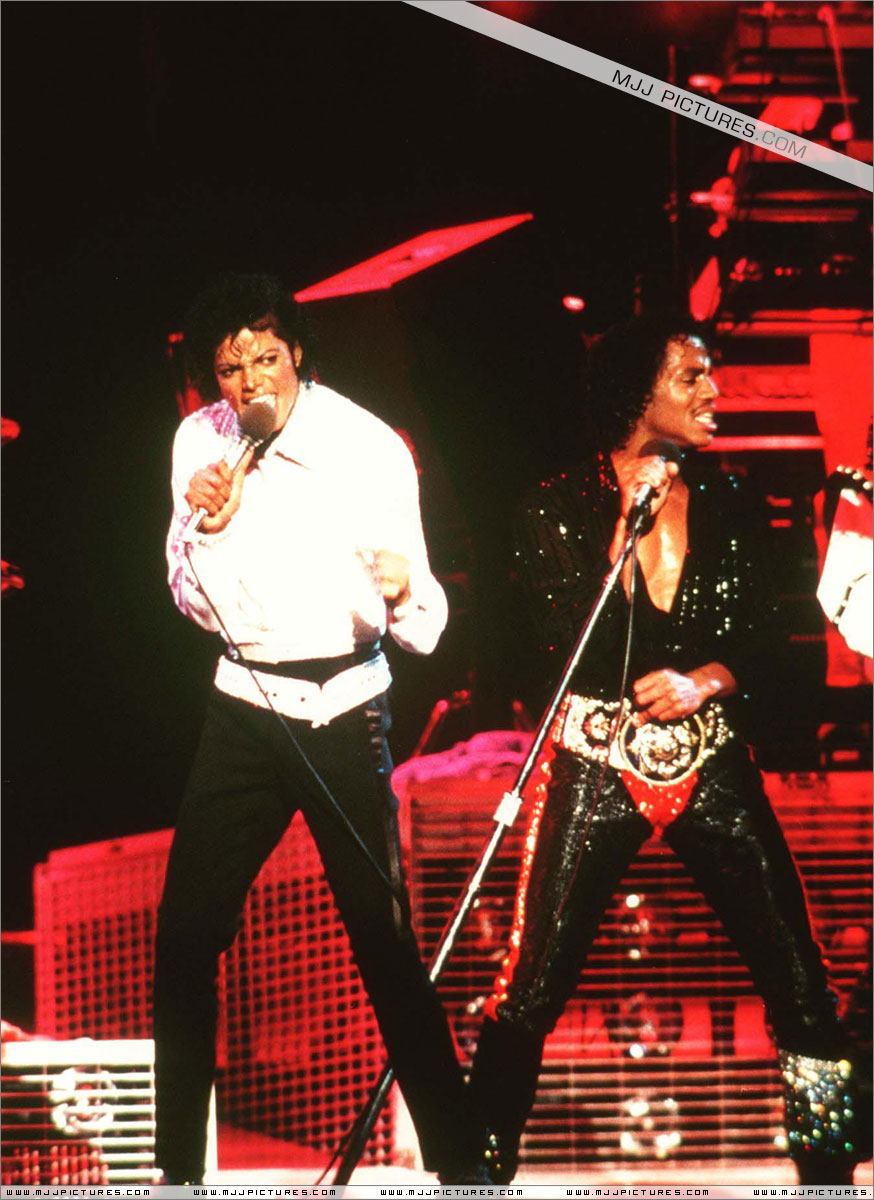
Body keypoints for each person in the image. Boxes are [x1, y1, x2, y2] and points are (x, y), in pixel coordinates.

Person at [467, 313, 863, 1185]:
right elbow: (562, 644)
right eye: (692, 377)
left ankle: (831, 1173)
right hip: (593, 762)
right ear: (638, 393)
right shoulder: (551, 507)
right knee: (530, 986)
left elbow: (774, 642)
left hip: (709, 756)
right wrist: (625, 521)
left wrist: (704, 681)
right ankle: (479, 1170)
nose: (714, 392)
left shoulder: (732, 503)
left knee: (799, 979)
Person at [154, 273, 494, 1184]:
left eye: (267, 358)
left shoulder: (367, 446)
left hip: (344, 709)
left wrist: (403, 588)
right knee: (183, 942)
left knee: (385, 951)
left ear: (297, 353)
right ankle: (176, 1177)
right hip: (244, 709)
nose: (251, 383)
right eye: (231, 369)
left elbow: (426, 627)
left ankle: (463, 1169)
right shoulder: (199, 443)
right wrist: (210, 529)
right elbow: (187, 598)